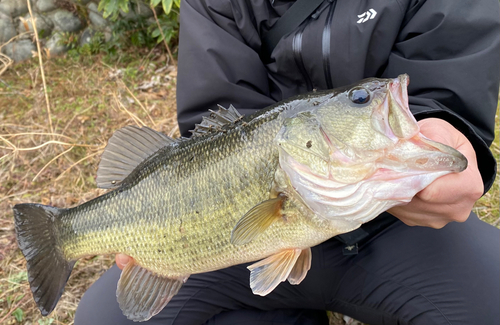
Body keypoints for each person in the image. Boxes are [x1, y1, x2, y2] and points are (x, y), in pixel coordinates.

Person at [75, 0, 500, 324]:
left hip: (394, 225)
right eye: (361, 100)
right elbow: (220, 126)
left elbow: (444, 96)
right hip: (236, 246)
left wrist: (445, 127)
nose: (379, 99)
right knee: (102, 318)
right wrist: (161, 234)